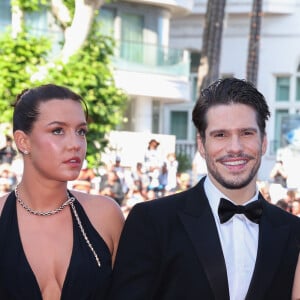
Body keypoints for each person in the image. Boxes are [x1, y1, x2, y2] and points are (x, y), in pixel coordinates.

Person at [108, 78, 300, 300]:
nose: (235, 148)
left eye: (247, 133)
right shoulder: (153, 221)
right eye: (221, 135)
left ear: (264, 142)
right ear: (201, 144)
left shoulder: (293, 232)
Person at [0, 84, 124, 299]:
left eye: (81, 131)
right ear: (23, 141)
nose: (75, 144)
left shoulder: (105, 215)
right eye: (57, 130)